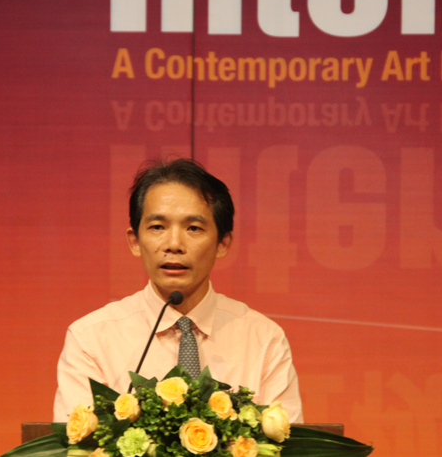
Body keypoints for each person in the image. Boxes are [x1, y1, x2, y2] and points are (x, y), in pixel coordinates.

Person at [53, 158, 302, 422]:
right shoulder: (91, 340)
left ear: (222, 243)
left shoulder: (263, 340)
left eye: (193, 228)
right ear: (135, 241)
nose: (174, 244)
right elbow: (76, 439)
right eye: (157, 227)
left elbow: (287, 439)